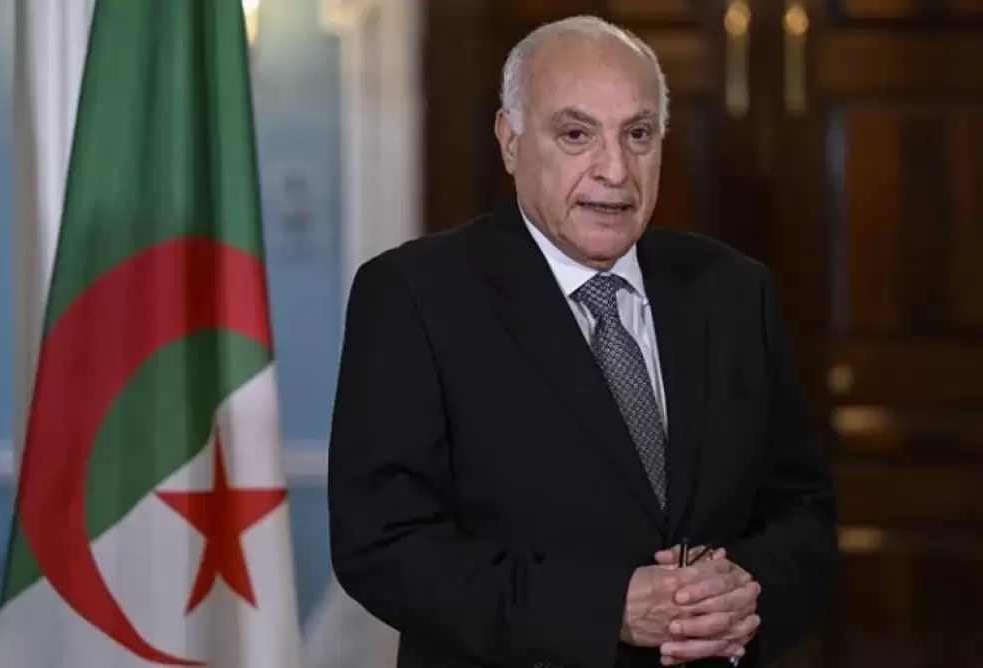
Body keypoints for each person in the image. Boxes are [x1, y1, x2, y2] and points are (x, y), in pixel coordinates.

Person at [327, 14, 837, 668]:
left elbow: (802, 511)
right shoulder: (414, 296)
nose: (615, 170)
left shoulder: (733, 291)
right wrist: (604, 610)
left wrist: (744, 595)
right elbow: (383, 545)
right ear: (510, 141)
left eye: (638, 134)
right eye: (576, 134)